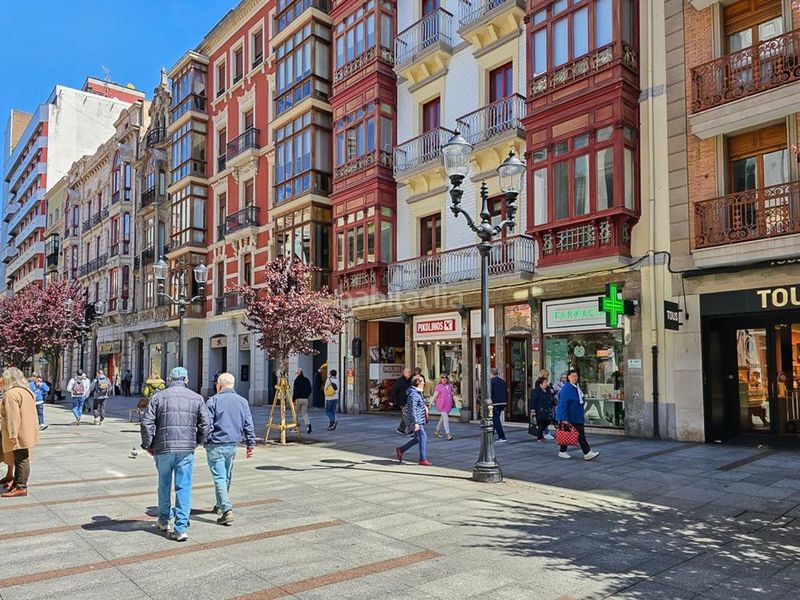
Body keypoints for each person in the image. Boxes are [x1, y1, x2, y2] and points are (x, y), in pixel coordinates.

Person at [140, 367, 211, 541]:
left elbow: (146, 422)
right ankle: (181, 527)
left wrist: (148, 444)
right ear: (186, 379)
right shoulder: (197, 398)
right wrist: (199, 441)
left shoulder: (158, 397)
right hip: (186, 448)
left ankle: (164, 520)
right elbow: (206, 424)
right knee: (184, 486)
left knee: (164, 484)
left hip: (163, 447)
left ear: (169, 379)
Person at [204, 372, 256, 525]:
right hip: (233, 444)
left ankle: (226, 509)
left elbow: (207, 425)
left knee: (219, 477)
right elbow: (248, 424)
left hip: (215, 444)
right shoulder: (242, 401)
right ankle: (220, 504)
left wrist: (202, 440)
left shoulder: (213, 401)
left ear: (219, 385)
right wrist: (250, 444)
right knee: (226, 476)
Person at [0, 368, 40, 497]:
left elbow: (13, 416)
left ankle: (21, 486)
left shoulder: (11, 394)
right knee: (21, 458)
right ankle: (16, 484)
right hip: (27, 430)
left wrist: (12, 434)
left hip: (18, 432)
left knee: (21, 459)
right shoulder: (26, 391)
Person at [556, 369, 599, 461]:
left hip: (576, 415)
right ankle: (587, 452)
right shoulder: (567, 388)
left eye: (576, 376)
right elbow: (563, 403)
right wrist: (563, 418)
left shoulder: (576, 387)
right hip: (570, 416)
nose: (575, 378)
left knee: (572, 433)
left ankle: (563, 451)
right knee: (578, 434)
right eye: (573, 376)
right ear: (568, 377)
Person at [395, 375, 431, 466]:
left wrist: (425, 407)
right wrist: (415, 423)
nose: (424, 383)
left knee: (417, 438)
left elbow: (419, 405)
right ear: (418, 383)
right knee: (423, 437)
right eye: (422, 381)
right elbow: (412, 409)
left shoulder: (418, 392)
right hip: (417, 420)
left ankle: (401, 449)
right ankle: (422, 459)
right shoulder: (413, 394)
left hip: (419, 419)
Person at [530, 375, 555, 443]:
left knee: (547, 422)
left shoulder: (547, 390)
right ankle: (539, 437)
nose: (546, 384)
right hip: (539, 409)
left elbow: (551, 397)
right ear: (541, 384)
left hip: (547, 409)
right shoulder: (536, 391)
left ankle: (540, 435)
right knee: (540, 423)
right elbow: (533, 400)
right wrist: (533, 410)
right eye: (545, 382)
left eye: (547, 382)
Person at [0, 377, 14, 490]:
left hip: (5, 427)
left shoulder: (8, 391)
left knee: (10, 453)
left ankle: (10, 476)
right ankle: (9, 476)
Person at [432, 374, 455, 441]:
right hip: (441, 405)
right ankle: (448, 434)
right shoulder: (438, 387)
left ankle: (437, 430)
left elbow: (452, 393)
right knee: (446, 419)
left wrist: (453, 392)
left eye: (445, 378)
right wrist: (431, 403)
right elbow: (434, 396)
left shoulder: (450, 386)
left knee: (442, 419)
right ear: (440, 379)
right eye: (442, 378)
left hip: (448, 405)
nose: (444, 379)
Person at [390, 368, 412, 435]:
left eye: (409, 372)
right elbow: (394, 391)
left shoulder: (411, 381)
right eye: (407, 372)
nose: (409, 373)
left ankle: (401, 429)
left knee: (405, 415)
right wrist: (391, 400)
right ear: (404, 373)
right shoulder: (399, 381)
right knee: (406, 415)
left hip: (410, 401)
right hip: (402, 401)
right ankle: (410, 430)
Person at [490, 368, 508, 443]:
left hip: (495, 403)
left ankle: (502, 436)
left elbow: (490, 393)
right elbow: (506, 392)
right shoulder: (502, 381)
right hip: (502, 402)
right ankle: (491, 433)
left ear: (491, 374)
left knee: (496, 419)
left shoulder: (491, 382)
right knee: (495, 418)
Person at [292, 368, 312, 434]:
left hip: (298, 399)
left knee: (295, 413)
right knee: (304, 413)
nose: (296, 374)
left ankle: (295, 427)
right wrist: (306, 396)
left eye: (297, 373)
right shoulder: (306, 380)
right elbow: (310, 389)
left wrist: (293, 399)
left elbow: (295, 391)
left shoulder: (296, 380)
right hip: (305, 399)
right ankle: (308, 425)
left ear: (299, 373)